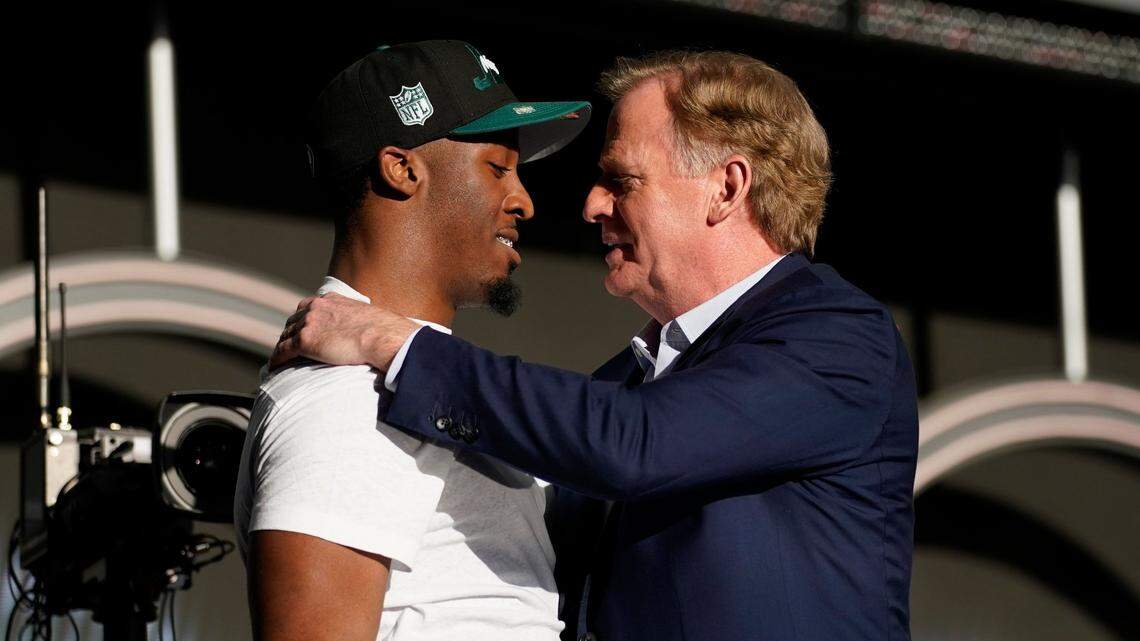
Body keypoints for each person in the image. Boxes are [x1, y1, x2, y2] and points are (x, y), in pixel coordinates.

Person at [274, 50, 919, 641]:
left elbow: (636, 445)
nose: (589, 204)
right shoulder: (628, 382)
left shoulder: (837, 336)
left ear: (726, 188)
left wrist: (396, 343)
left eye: (623, 181)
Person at [234, 39, 591, 641]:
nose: (524, 201)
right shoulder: (349, 397)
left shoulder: (392, 374)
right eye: (498, 168)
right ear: (403, 169)